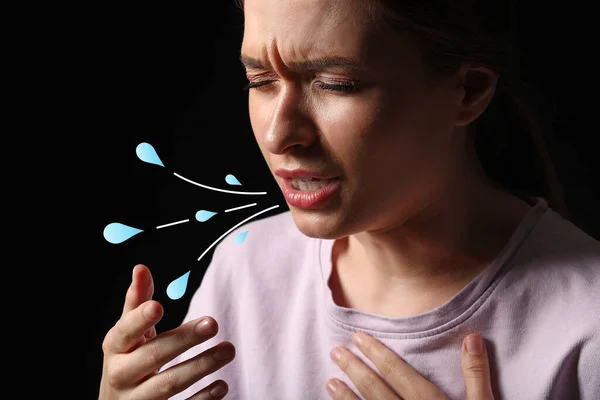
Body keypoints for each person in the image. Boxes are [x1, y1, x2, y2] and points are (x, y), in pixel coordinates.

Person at [99, 0, 600, 399]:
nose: (279, 135)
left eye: (338, 84)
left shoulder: (586, 326)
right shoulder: (244, 268)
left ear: (467, 91)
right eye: (260, 81)